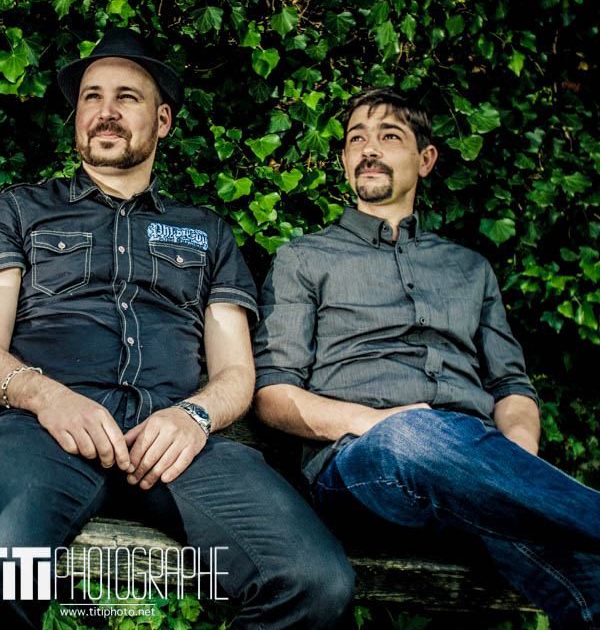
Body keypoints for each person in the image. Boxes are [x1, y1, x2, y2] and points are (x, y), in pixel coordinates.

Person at [0, 28, 354, 630]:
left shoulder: (207, 231)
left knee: (315, 583)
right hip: (43, 434)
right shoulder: (23, 209)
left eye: (126, 97)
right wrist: (48, 398)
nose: (105, 111)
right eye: (91, 97)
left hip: (176, 444)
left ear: (162, 121)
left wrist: (195, 417)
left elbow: (237, 373)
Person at [253, 86, 600, 628]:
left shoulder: (470, 268)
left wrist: (508, 467)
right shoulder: (304, 259)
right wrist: (379, 423)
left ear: (426, 159)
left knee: (591, 588)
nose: (369, 148)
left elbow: (512, 387)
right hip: (362, 469)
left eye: (389, 136)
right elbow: (274, 395)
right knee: (411, 433)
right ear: (344, 159)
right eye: (356, 139)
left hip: (470, 478)